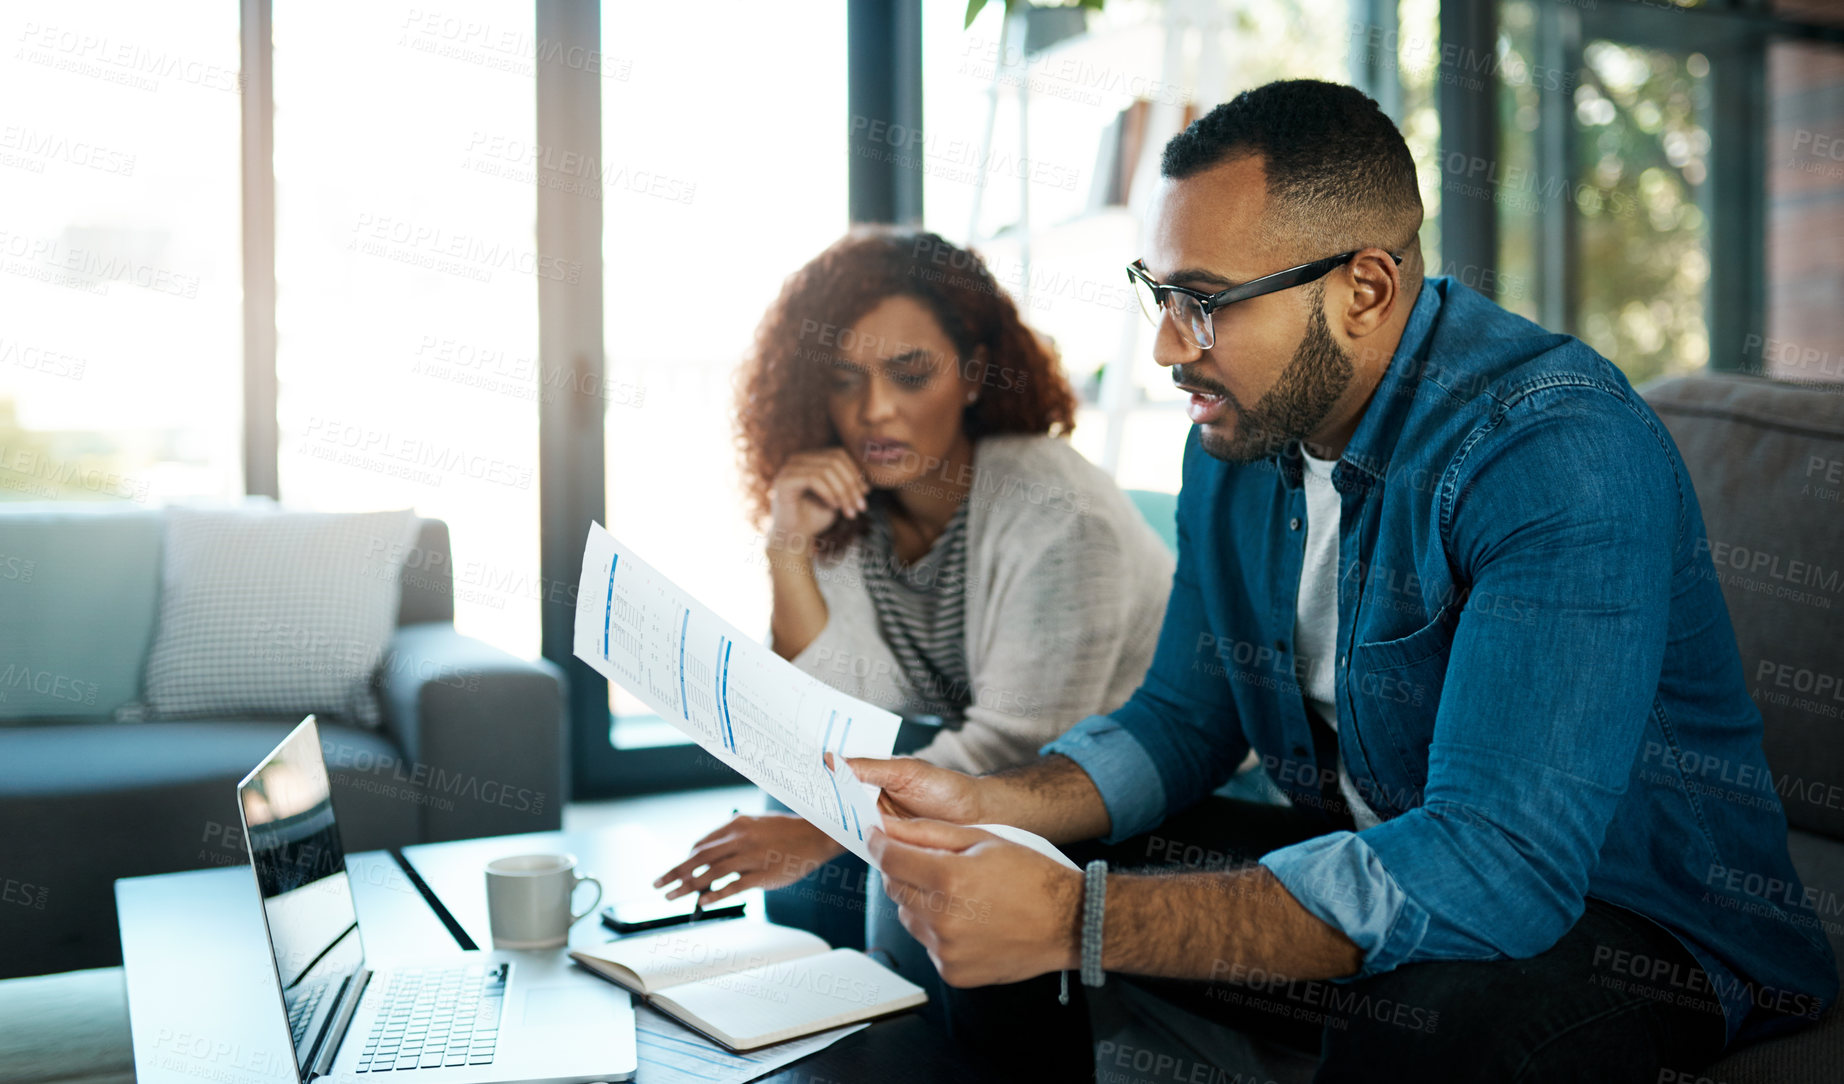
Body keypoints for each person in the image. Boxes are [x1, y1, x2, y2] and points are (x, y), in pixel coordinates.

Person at [846, 80, 1839, 1082]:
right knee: (1000, 867)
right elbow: (1183, 721)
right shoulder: (1236, 435)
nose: (1163, 347)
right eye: (1158, 293)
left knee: (1435, 1017)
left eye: (1204, 303)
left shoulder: (1553, 451)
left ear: (1362, 289)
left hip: (1640, 926)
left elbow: (1496, 867)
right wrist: (991, 807)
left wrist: (1079, 920)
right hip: (1397, 853)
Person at [654, 229, 1175, 956]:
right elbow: (833, 714)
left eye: (909, 373)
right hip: (987, 764)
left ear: (972, 374)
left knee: (883, 851)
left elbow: (1023, 749)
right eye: (844, 379)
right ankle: (822, 1019)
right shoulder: (856, 505)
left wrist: (825, 832)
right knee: (807, 786)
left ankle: (903, 1046)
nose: (874, 411)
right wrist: (788, 548)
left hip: (1114, 786)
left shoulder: (1061, 515)